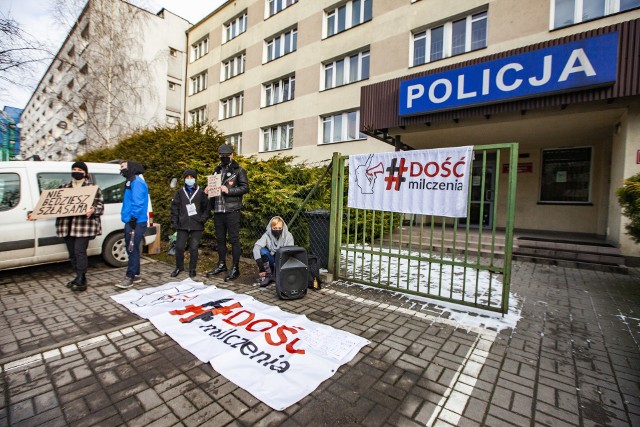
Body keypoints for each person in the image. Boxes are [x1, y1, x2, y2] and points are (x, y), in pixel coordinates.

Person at [28, 161, 104, 292]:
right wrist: (35, 213)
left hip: (83, 227)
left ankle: (81, 277)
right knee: (72, 253)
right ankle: (78, 275)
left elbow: (100, 207)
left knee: (80, 252)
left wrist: (92, 210)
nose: (76, 171)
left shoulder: (93, 188)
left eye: (79, 170)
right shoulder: (63, 187)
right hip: (66, 227)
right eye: (74, 169)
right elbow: (51, 205)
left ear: (85, 173)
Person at [205, 144, 249, 281]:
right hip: (218, 210)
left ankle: (235, 268)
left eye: (227, 155)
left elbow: (245, 187)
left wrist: (228, 190)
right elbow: (213, 186)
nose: (224, 157)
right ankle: (222, 264)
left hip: (231, 210)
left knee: (234, 240)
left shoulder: (239, 170)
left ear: (232, 155)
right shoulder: (216, 170)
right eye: (222, 155)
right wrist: (207, 189)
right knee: (220, 240)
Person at [170, 168, 210, 278]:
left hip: (196, 225)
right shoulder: (180, 192)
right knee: (179, 247)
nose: (189, 179)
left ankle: (192, 269)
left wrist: (203, 219)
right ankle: (179, 267)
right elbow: (175, 208)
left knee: (194, 248)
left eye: (191, 177)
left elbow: (206, 208)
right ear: (184, 179)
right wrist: (174, 221)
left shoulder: (201, 193)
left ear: (195, 179)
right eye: (187, 178)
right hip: (182, 225)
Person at [115, 160, 148, 289]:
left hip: (136, 221)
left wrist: (133, 218)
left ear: (131, 168)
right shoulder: (131, 181)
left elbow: (138, 202)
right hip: (132, 220)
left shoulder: (137, 182)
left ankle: (130, 277)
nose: (121, 169)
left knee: (131, 248)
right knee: (132, 248)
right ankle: (137, 274)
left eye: (123, 167)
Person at [253, 216, 294, 287]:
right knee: (262, 250)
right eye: (274, 228)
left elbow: (290, 252)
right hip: (272, 258)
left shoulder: (288, 235)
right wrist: (261, 267)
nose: (277, 230)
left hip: (283, 260)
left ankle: (279, 275)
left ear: (283, 228)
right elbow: (256, 248)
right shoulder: (267, 235)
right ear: (270, 228)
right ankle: (268, 275)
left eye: (279, 228)